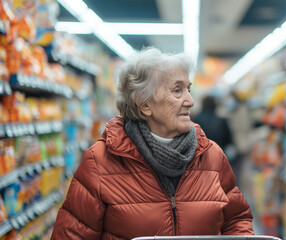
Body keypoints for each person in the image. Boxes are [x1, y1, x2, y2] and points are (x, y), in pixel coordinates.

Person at [51, 47, 254, 240]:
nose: (190, 101)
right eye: (177, 90)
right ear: (145, 105)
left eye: (188, 89)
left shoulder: (211, 155)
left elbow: (237, 219)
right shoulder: (100, 161)